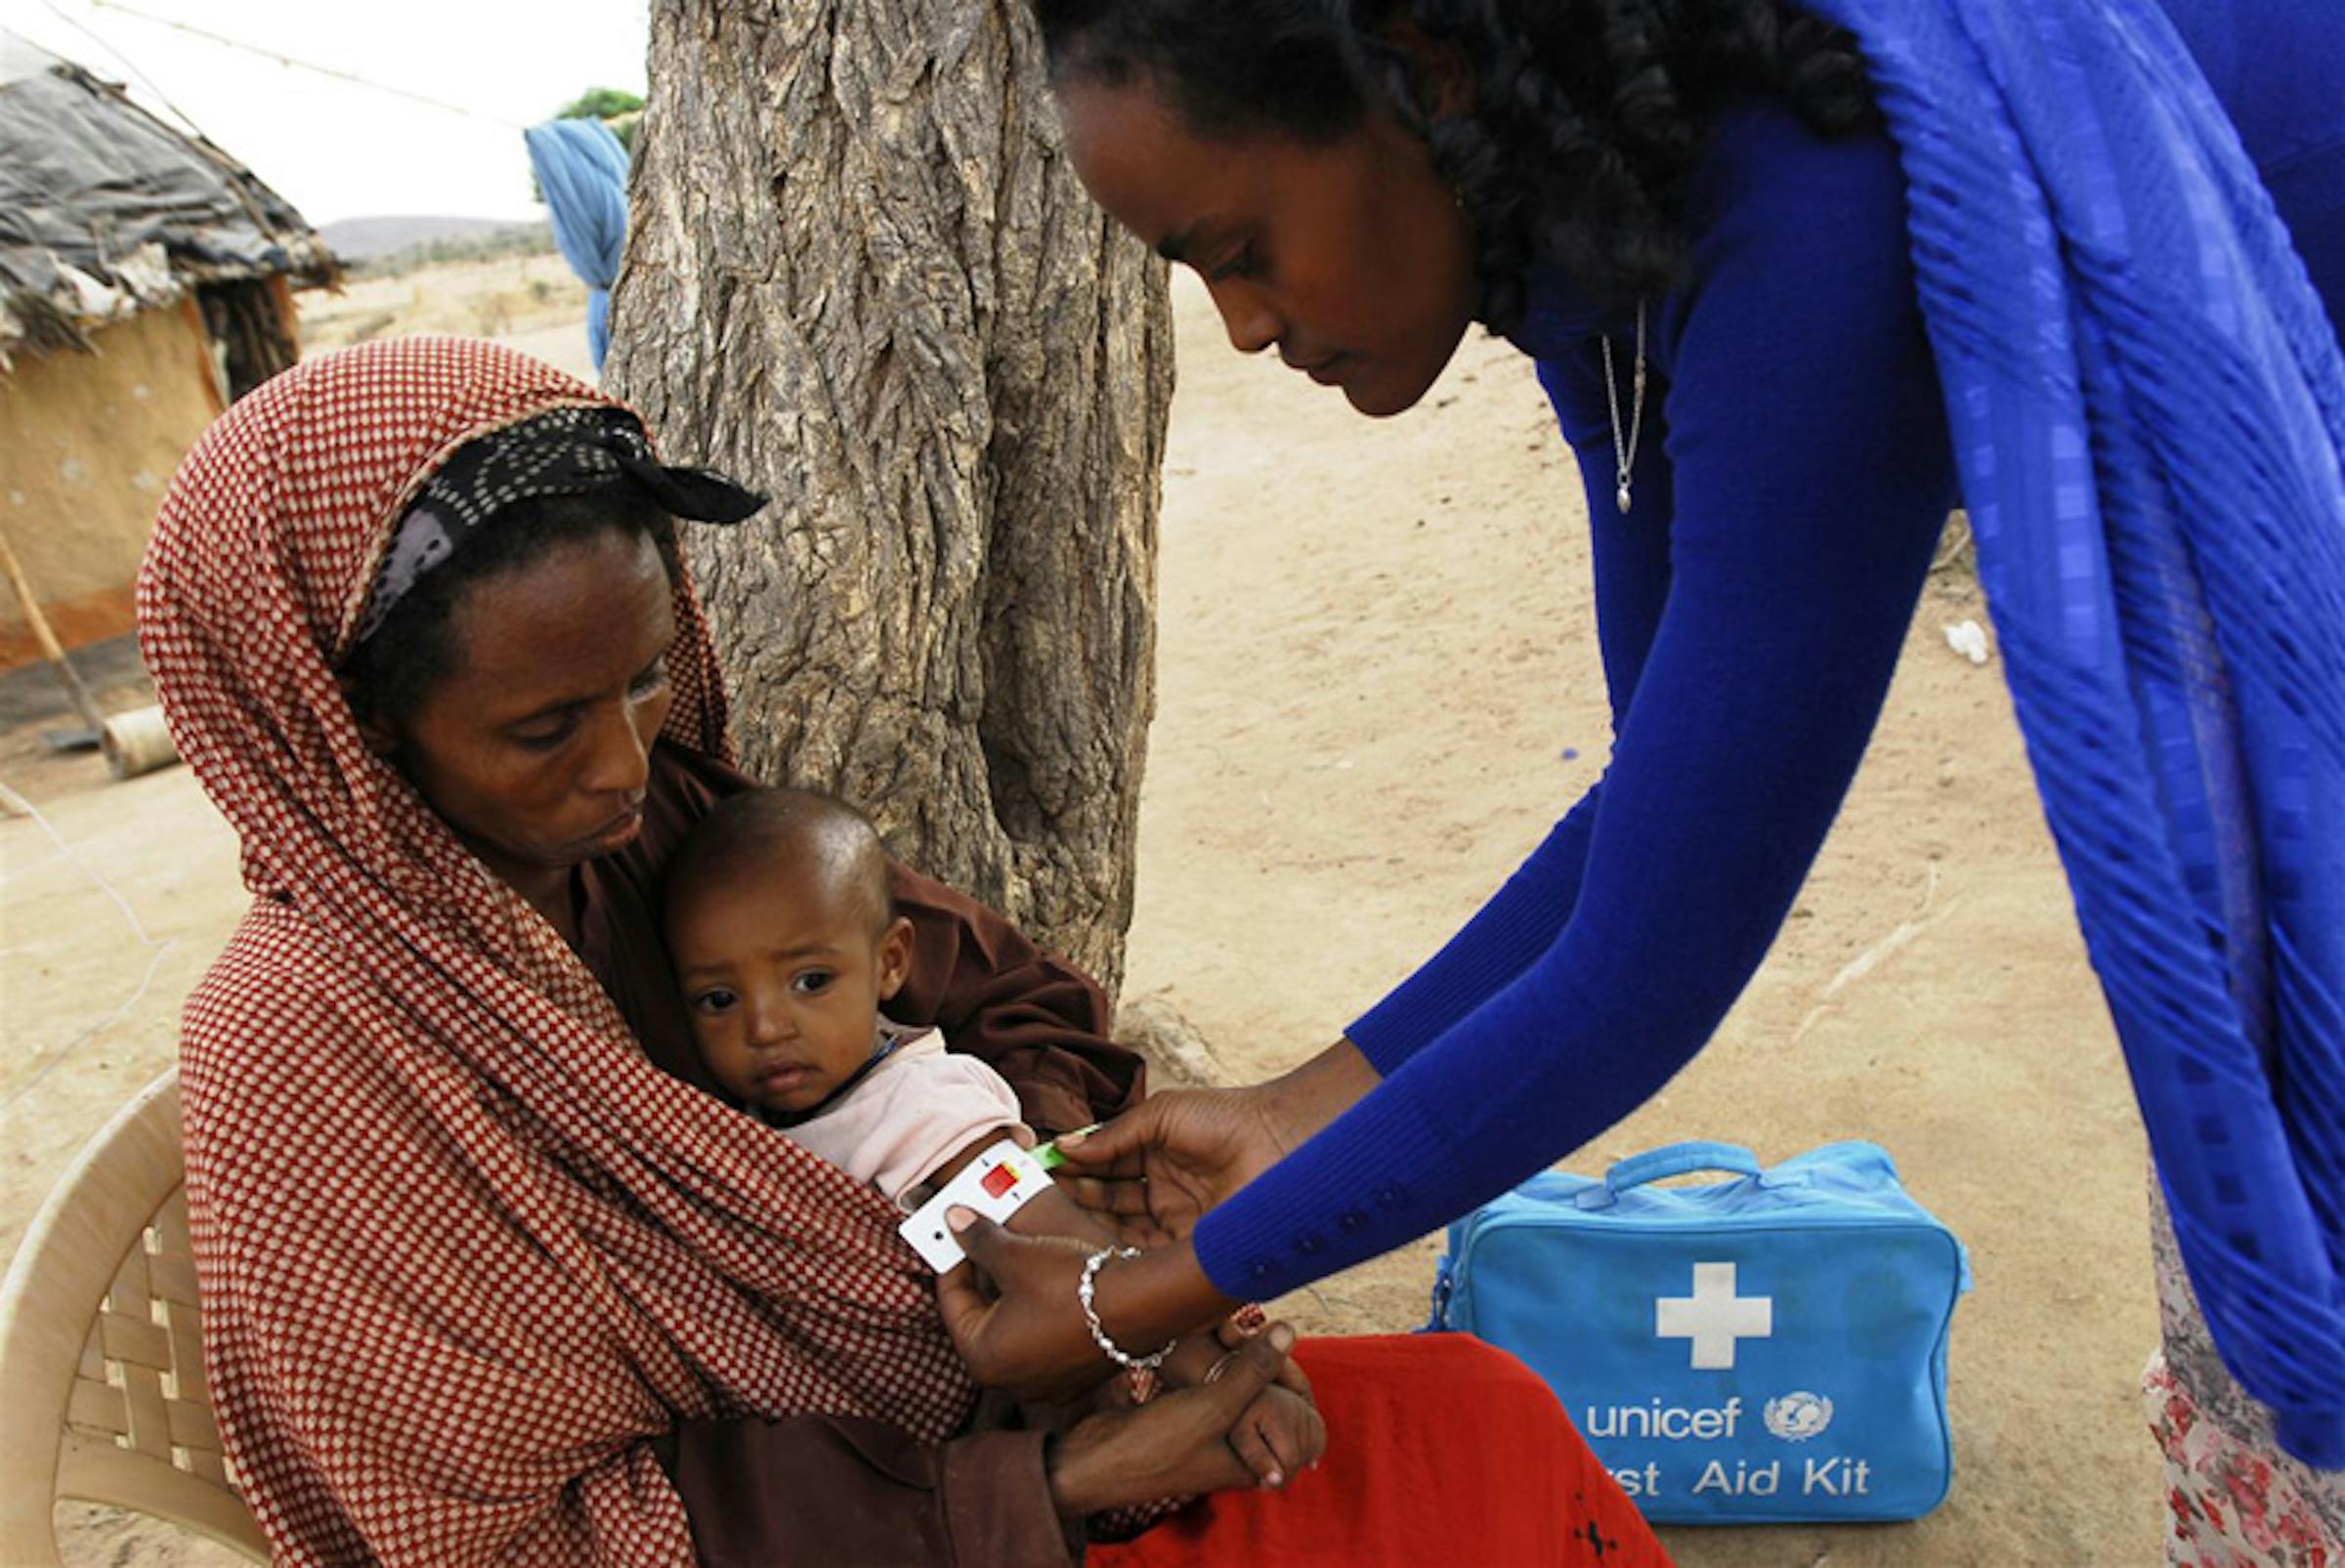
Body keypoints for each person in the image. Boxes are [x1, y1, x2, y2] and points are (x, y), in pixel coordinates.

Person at [933, 0, 2345, 1552]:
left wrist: (1148, 1297)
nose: (1246, 327)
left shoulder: (1808, 193)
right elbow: (1656, 793)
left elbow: (1646, 969)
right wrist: (1295, 1115)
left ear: (1431, 67)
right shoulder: (1585, 235)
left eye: (1242, 244)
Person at [140, 335, 1666, 1563]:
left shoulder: (665, 830)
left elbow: (999, 998)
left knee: (1475, 1414)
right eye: (544, 728)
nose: (619, 763)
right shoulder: (311, 1054)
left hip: (1028, 1418)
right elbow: (495, 1538)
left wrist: (1044, 1214)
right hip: (929, 1521)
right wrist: (1046, 1490)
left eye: (649, 678)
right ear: (341, 728)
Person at [663, 784, 1324, 1490]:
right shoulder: (753, 1120)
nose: (764, 1026)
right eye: (720, 999)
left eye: (810, 980)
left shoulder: (920, 1111)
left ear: (890, 963)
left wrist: (1218, 1378)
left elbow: (1065, 1246)